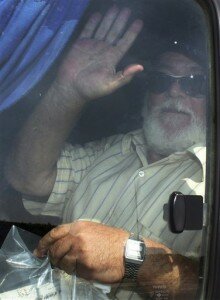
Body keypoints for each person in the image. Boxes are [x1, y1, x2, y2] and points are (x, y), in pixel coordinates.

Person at [5, 6, 206, 299]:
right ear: (147, 97)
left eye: (193, 83)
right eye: (161, 81)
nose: (175, 92)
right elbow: (26, 178)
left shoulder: (210, 177)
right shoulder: (114, 149)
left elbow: (204, 284)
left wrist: (131, 257)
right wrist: (68, 90)